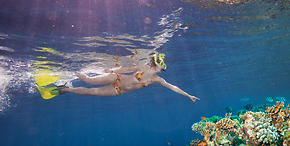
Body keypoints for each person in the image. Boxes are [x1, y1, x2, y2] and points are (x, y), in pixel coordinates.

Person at [52, 53, 200, 102]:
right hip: (116, 78)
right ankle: (68, 72)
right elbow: (127, 69)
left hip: (118, 90)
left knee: (91, 92)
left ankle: (65, 89)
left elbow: (173, 87)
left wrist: (188, 95)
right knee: (89, 80)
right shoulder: (143, 67)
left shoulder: (157, 79)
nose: (165, 67)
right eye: (163, 64)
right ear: (156, 64)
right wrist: (112, 69)